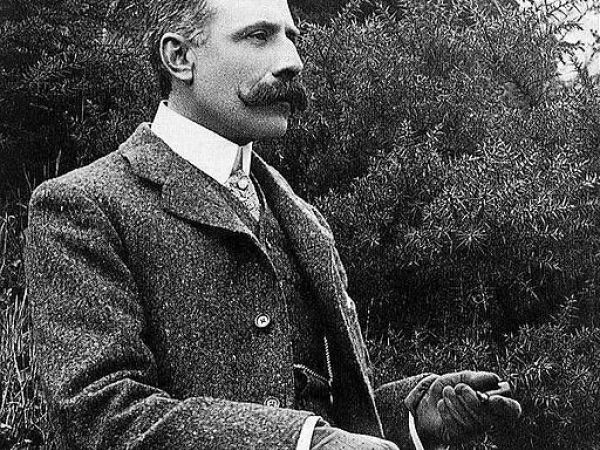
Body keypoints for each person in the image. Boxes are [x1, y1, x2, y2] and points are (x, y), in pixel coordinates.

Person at [24, 0, 522, 448]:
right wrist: (303, 441)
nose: (292, 61)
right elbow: (99, 417)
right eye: (259, 36)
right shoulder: (83, 206)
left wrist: (413, 416)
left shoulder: (302, 218)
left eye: (291, 37)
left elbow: (313, 407)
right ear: (180, 57)